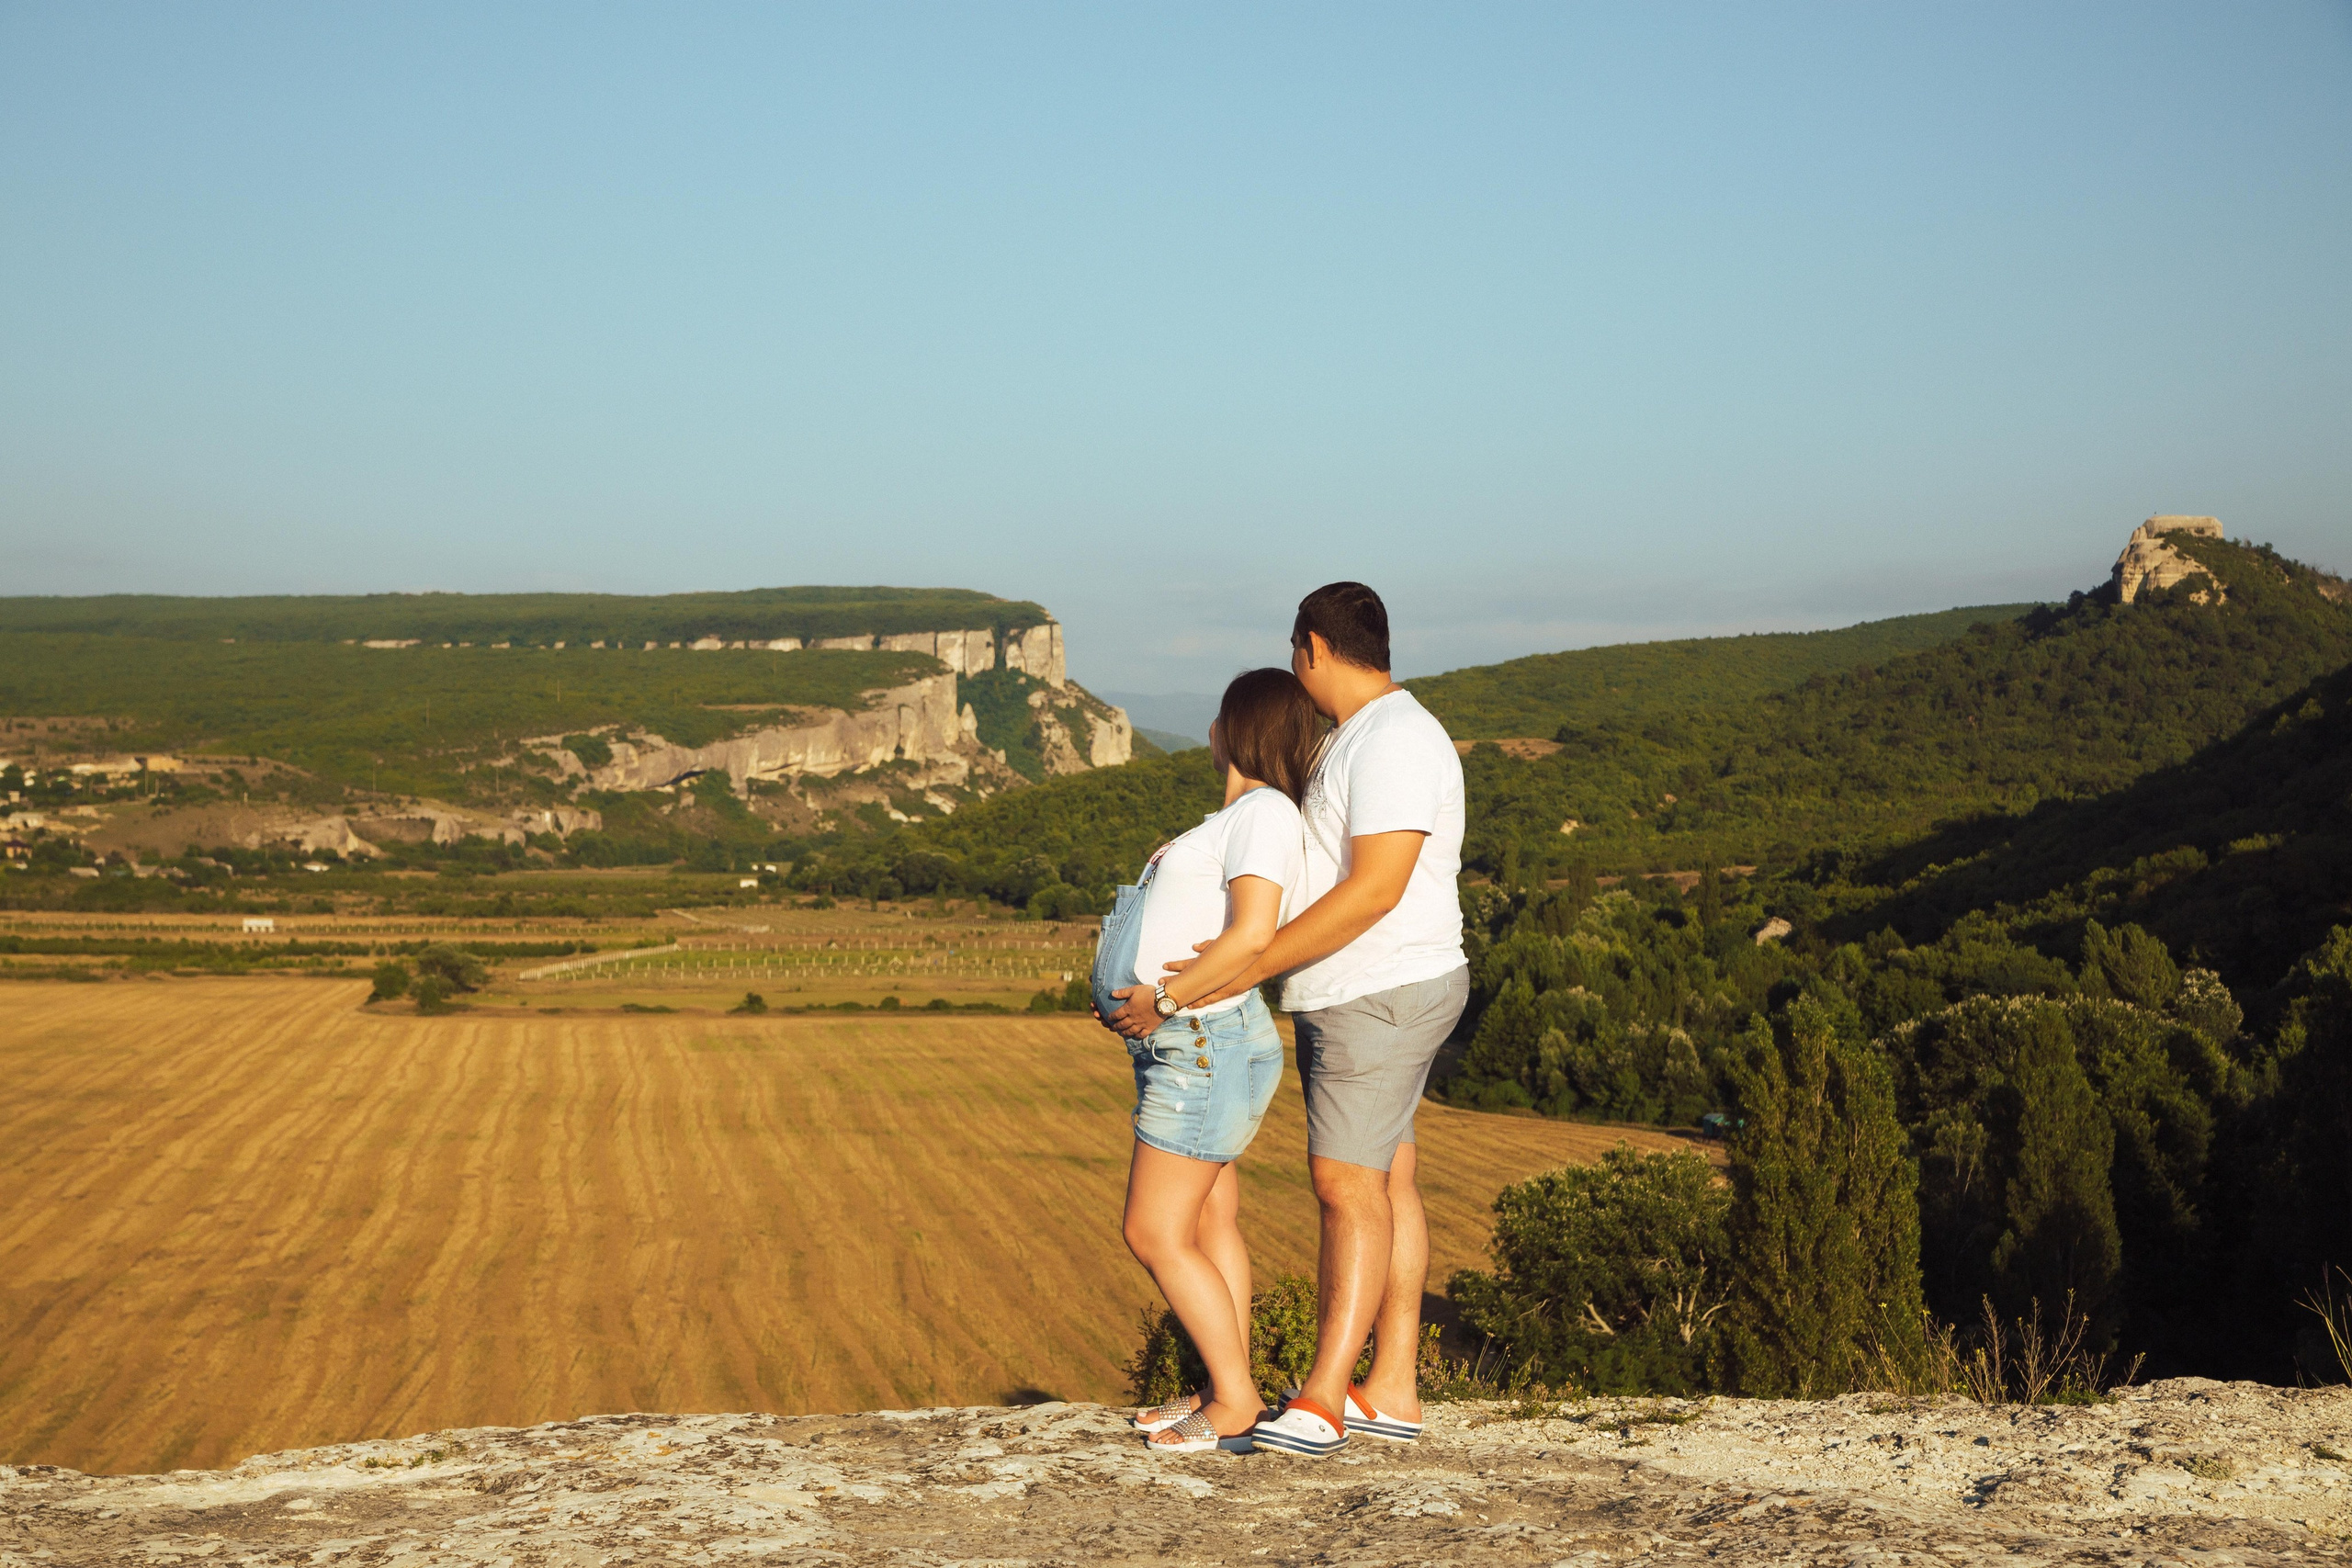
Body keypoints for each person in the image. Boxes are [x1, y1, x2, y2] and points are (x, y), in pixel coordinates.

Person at [1136, 581, 1467, 1459]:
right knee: (1387, 1181)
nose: (1294, 666)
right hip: (1374, 989)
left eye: (1294, 651)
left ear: (1312, 646)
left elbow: (1376, 888)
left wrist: (1251, 962)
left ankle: (1321, 1401)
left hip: (1378, 990)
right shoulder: (1366, 738)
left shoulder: (1393, 737)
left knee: (1344, 1186)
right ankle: (1390, 1385)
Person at [1097, 667, 1319, 1453]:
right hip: (1196, 1042)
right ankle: (1226, 1386)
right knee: (1211, 1218)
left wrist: (1164, 998)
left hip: (1197, 1043)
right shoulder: (1242, 817)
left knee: (1153, 1231)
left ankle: (1234, 1400)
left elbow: (1253, 932)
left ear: (1235, 728)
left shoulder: (1262, 811)